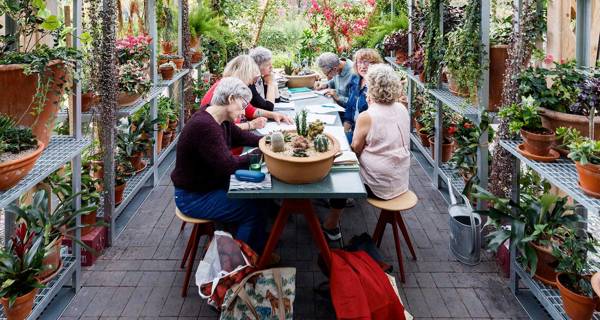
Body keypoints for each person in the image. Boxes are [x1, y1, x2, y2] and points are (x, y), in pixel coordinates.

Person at [172, 77, 270, 252]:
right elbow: (228, 166)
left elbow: (242, 137)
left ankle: (259, 251)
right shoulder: (205, 126)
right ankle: (239, 263)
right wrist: (261, 153)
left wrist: (267, 141)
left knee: (260, 199)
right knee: (252, 210)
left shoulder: (217, 118)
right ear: (231, 99)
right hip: (193, 197)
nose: (244, 111)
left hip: (207, 186)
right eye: (243, 104)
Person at [322, 64, 410, 241]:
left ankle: (331, 225)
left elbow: (356, 148)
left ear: (371, 87)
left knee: (342, 170)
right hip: (400, 178)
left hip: (378, 185)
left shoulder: (367, 116)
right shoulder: (401, 108)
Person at [200, 55, 292, 132]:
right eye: (252, 79)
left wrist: (275, 115)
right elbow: (221, 129)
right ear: (245, 74)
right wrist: (251, 125)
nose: (252, 83)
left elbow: (250, 110)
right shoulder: (222, 91)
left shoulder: (234, 90)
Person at [342, 49, 383, 143]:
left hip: (368, 134)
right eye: (359, 62)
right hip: (353, 129)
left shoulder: (378, 85)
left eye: (367, 62)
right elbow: (349, 108)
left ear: (376, 65)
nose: (362, 66)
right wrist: (344, 131)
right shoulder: (355, 79)